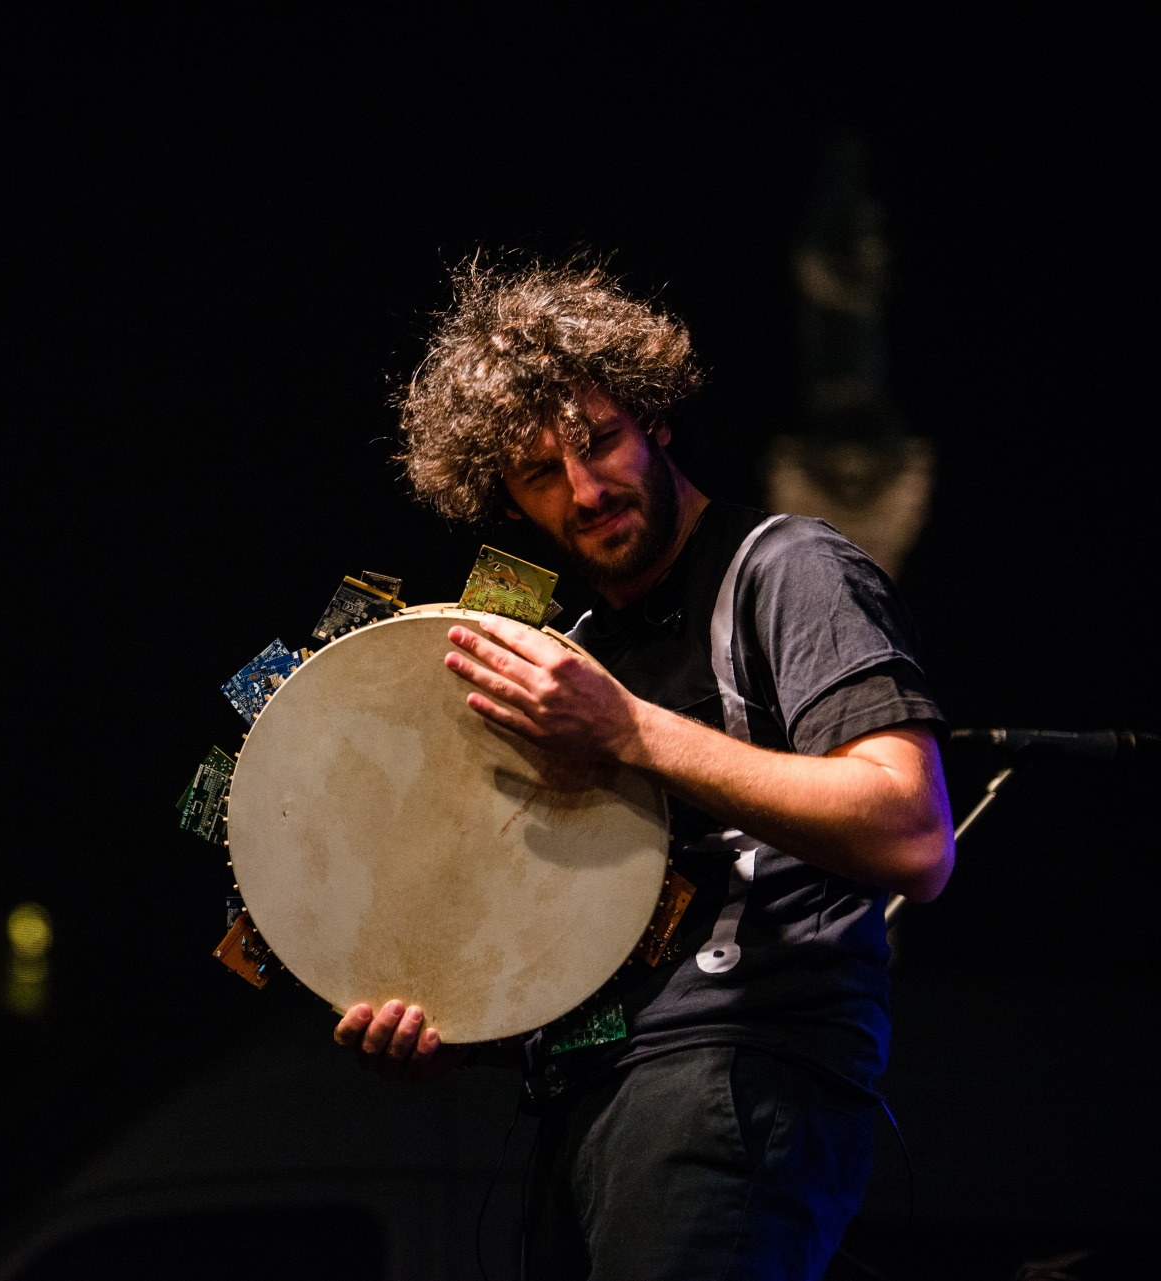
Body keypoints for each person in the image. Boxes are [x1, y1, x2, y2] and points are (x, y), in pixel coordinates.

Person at [331, 262, 954, 1279]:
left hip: (731, 1071)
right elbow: (563, 938)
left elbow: (913, 833)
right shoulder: (575, 654)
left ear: (656, 418)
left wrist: (629, 730)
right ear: (506, 502)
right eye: (540, 473)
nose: (585, 490)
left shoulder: (787, 567)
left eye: (600, 439)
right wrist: (452, 1027)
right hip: (586, 1100)